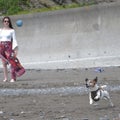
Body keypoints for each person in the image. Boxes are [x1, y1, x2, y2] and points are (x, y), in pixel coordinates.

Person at [0, 16, 18, 82]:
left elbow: (14, 40)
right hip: (1, 47)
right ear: (3, 22)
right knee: (4, 63)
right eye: (5, 21)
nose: (6, 22)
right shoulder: (0, 30)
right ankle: (5, 78)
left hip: (8, 47)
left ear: (9, 22)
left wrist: (15, 49)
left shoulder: (12, 30)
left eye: (7, 21)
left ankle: (13, 78)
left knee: (11, 62)